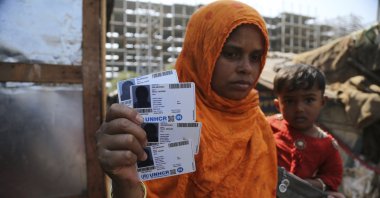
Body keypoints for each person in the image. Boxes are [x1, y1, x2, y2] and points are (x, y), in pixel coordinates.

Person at [95, 0, 277, 197]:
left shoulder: (256, 119)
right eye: (231, 54)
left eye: (256, 57)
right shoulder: (166, 117)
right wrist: (127, 184)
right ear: (200, 51)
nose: (246, 68)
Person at [267, 64, 345, 198]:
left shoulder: (327, 144)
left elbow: (333, 176)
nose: (299, 108)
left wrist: (309, 185)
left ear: (322, 102)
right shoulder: (267, 126)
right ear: (277, 105)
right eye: (290, 101)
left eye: (309, 100)